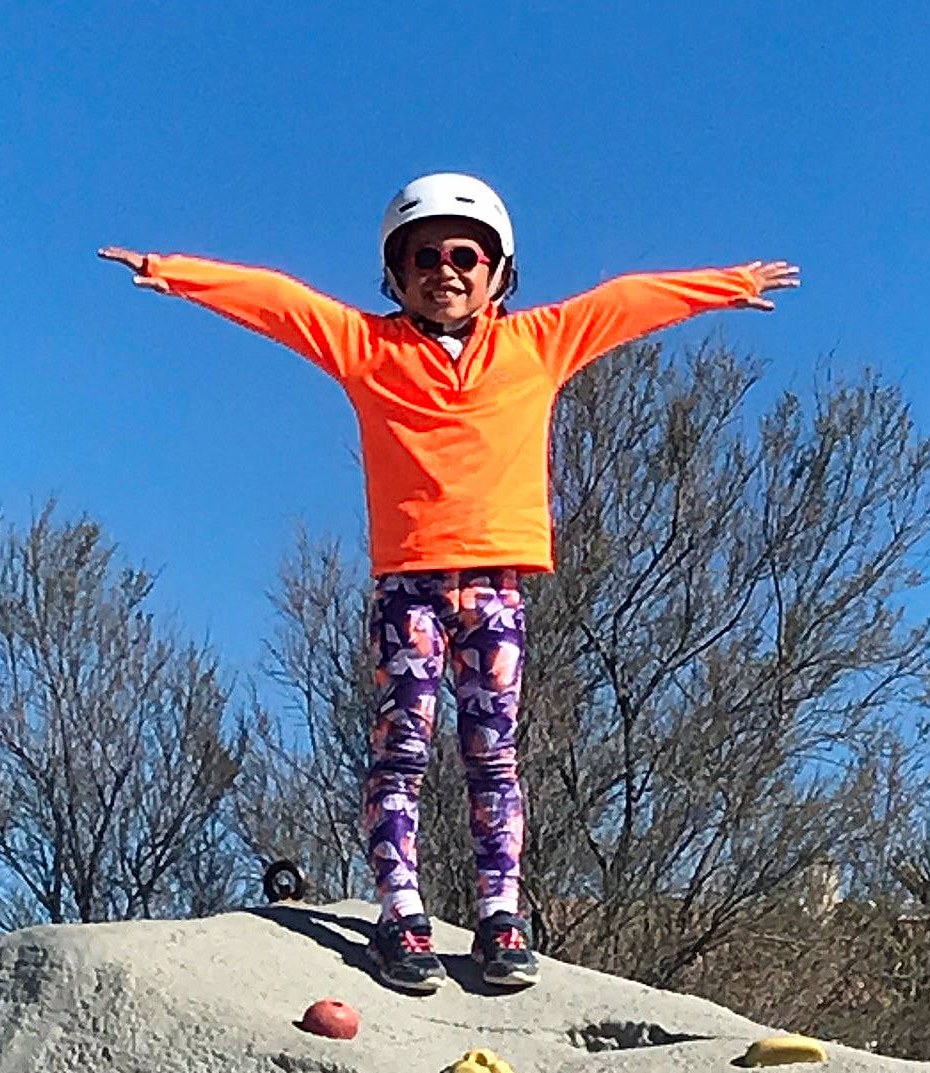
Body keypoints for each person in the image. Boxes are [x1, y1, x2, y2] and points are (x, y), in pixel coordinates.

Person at [100, 174, 798, 993]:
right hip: (409, 589)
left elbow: (629, 301)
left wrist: (730, 286)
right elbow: (278, 302)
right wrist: (172, 270)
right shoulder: (369, 349)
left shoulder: (538, 343)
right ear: (395, 275)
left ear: (499, 271)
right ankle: (402, 912)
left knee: (493, 758)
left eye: (466, 256)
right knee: (399, 755)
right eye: (423, 257)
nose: (447, 270)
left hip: (498, 589)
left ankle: (501, 915)